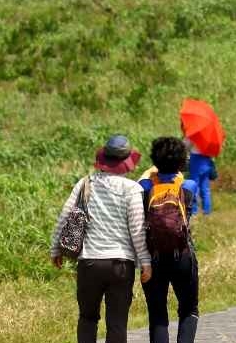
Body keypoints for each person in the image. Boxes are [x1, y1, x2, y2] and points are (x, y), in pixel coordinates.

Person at [50, 134, 152, 343]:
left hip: (89, 263)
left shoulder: (85, 183)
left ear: (104, 158)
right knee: (116, 323)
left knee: (87, 318)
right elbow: (137, 230)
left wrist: (55, 249)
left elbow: (65, 216)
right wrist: (145, 263)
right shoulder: (132, 189)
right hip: (121, 265)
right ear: (126, 161)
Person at [138, 137, 200, 343]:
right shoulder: (189, 185)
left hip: (153, 256)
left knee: (157, 314)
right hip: (182, 255)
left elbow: (141, 196)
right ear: (182, 162)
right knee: (189, 309)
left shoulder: (145, 186)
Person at [184, 130, 216, 217]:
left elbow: (185, 146)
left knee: (194, 186)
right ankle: (207, 212)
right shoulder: (210, 134)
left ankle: (194, 211)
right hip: (206, 160)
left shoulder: (194, 133)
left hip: (196, 160)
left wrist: (185, 137)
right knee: (205, 188)